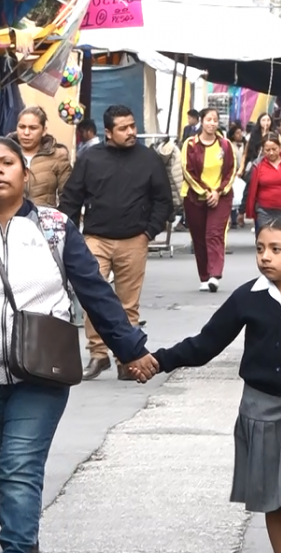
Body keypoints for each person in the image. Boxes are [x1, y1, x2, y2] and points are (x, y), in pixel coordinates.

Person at [0, 136, 157, 553]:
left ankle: (17, 548)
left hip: (43, 374)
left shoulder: (54, 227)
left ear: (25, 174)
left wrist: (130, 347)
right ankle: (23, 543)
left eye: (7, 162)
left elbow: (95, 292)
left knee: (18, 468)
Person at [131, 214, 281, 553]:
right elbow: (206, 343)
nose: (265, 257)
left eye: (276, 249)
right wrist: (159, 360)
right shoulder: (248, 297)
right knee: (272, 496)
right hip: (259, 407)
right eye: (260, 249)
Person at [59, 105, 172, 381]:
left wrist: (149, 232)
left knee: (128, 303)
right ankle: (98, 354)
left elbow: (164, 200)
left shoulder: (149, 159)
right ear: (108, 132)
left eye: (132, 126)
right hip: (95, 239)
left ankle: (127, 357)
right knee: (91, 297)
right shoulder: (90, 159)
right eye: (123, 128)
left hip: (135, 239)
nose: (131, 132)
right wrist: (69, 236)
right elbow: (72, 197)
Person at [181, 108, 237, 292]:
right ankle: (204, 276)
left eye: (215, 120)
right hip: (194, 197)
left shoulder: (225, 145)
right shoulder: (190, 144)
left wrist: (218, 192)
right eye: (208, 119)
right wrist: (205, 192)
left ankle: (214, 274)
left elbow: (231, 170)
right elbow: (187, 171)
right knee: (198, 237)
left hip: (220, 197)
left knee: (214, 234)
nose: (212, 123)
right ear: (201, 121)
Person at [9, 106, 72, 206]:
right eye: (22, 127)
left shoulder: (58, 157)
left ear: (43, 131)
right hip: (8, 218)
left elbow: (68, 197)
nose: (26, 133)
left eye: (33, 128)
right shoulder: (4, 154)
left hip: (43, 218)